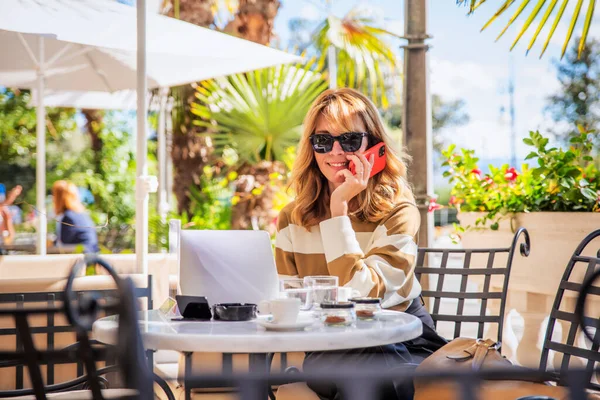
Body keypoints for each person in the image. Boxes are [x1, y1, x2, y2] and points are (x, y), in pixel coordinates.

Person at [274, 88, 446, 400]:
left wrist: (338, 209)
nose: (335, 152)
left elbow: (364, 294)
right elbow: (289, 304)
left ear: (374, 145)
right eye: (323, 141)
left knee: (369, 370)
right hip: (331, 346)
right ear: (311, 149)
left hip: (403, 341)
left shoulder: (398, 210)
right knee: (369, 368)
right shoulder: (292, 219)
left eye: (350, 140)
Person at [52, 180, 99, 253]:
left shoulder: (68, 217)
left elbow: (64, 241)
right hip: (92, 252)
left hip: (83, 255)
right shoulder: (81, 214)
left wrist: (51, 243)